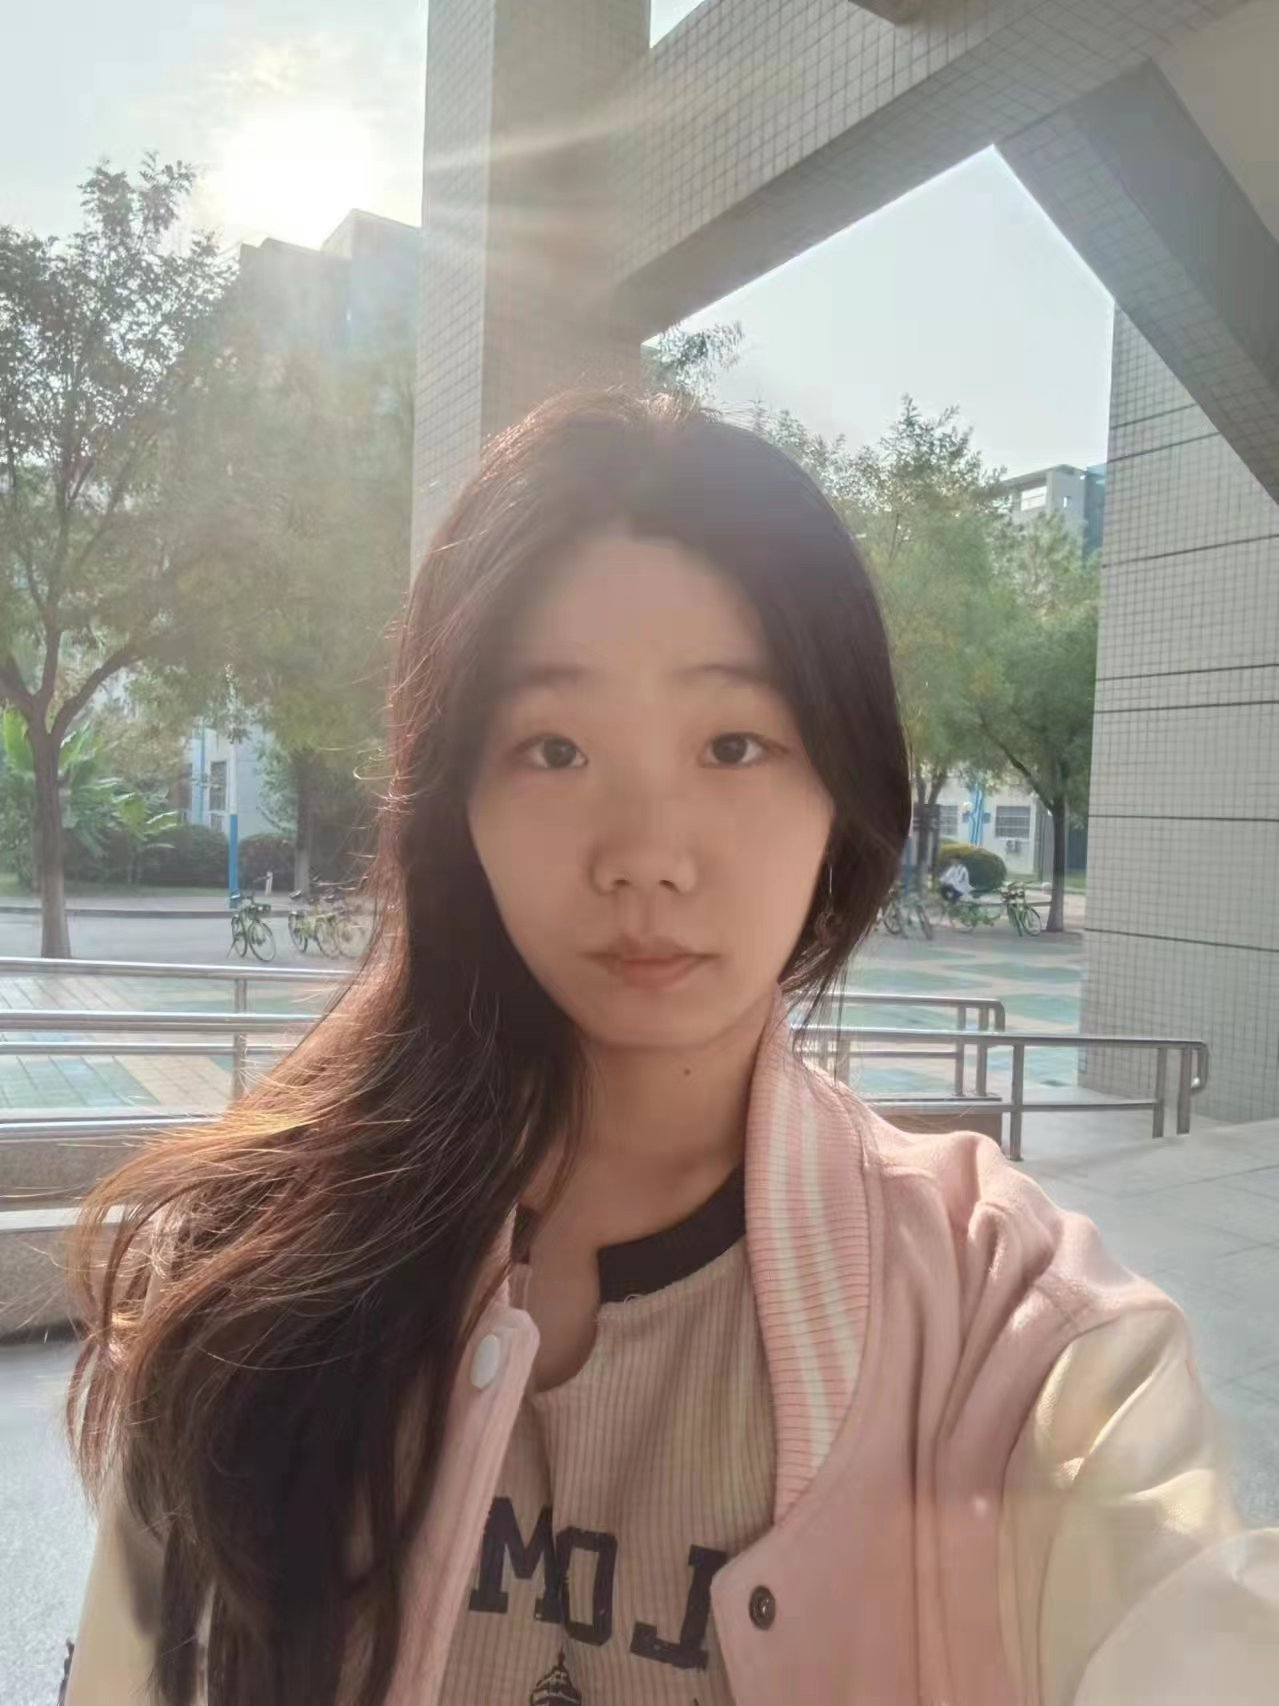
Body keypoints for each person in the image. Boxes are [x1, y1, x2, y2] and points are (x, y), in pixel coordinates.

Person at [63, 393, 1276, 1706]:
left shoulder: (1006, 1328)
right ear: (458, 797)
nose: (645, 853)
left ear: (844, 786)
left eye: (732, 744)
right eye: (555, 748)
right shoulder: (254, 1270)